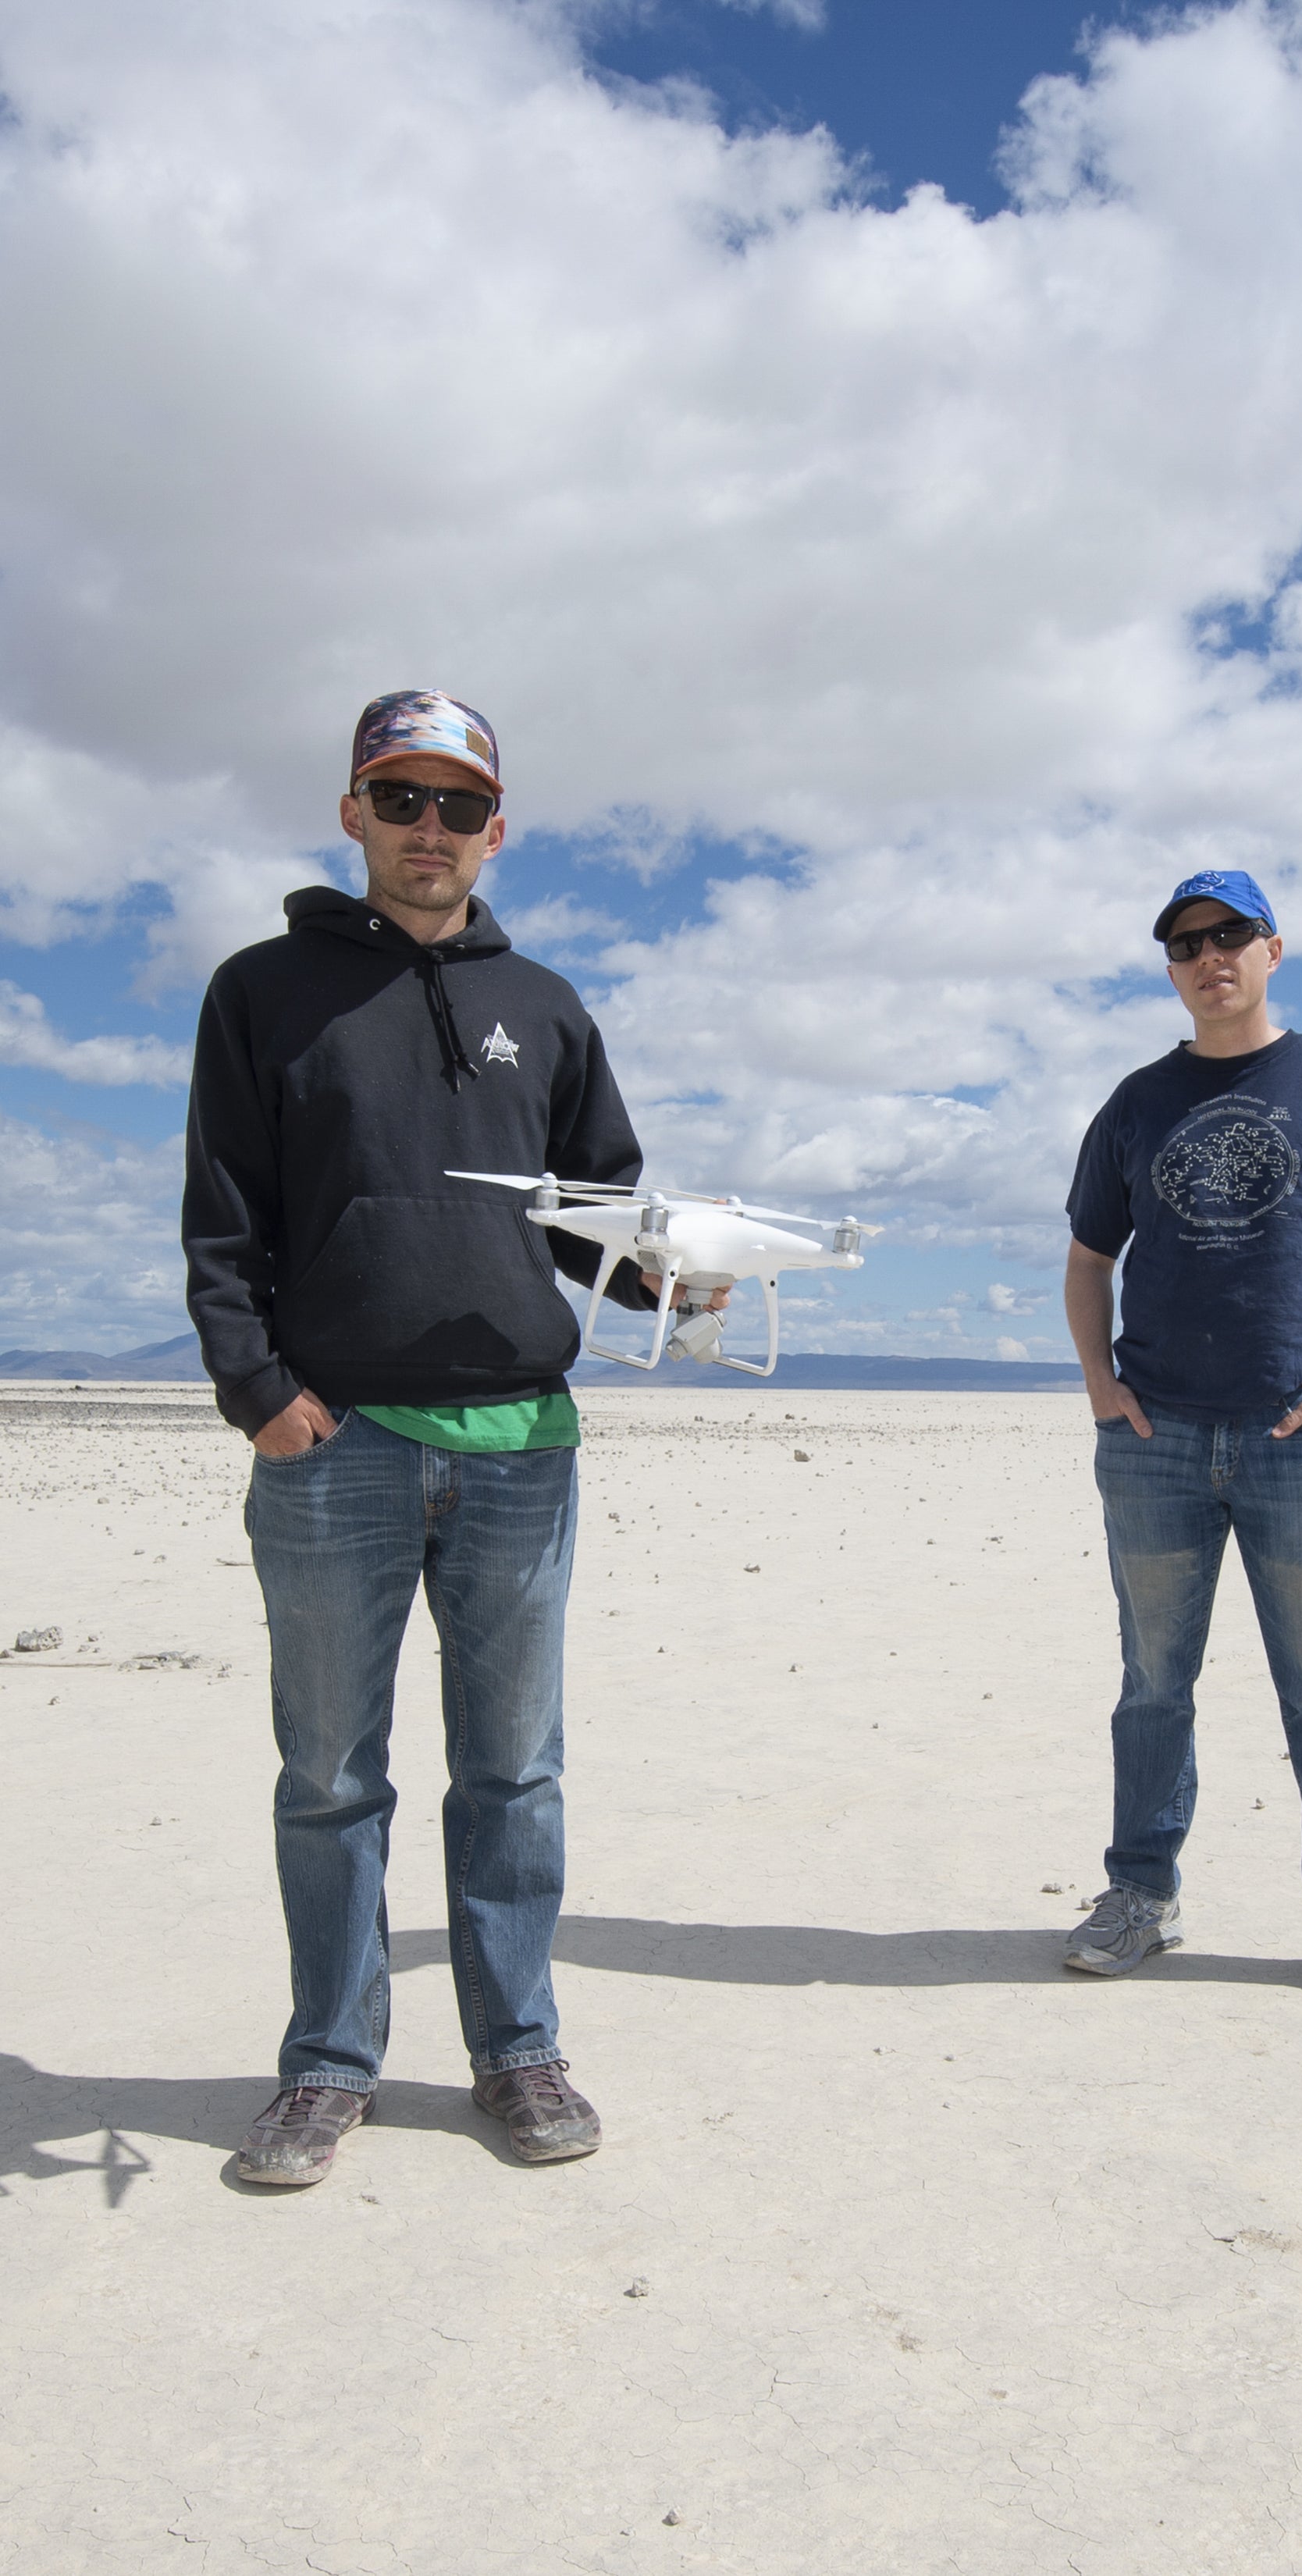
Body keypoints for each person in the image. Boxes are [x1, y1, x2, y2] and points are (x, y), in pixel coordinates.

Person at [183, 688, 703, 2185]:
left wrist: (678, 1273)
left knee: (514, 1771)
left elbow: (598, 1221)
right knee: (332, 1774)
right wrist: (257, 1391)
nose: (430, 831)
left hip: (521, 1449)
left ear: (497, 829)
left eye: (459, 807)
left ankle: (517, 2051)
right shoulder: (261, 991)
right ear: (351, 811)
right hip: (331, 1444)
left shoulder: (544, 1007)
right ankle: (329, 2064)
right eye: (400, 800)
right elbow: (223, 1219)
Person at [1061, 869, 1302, 2007]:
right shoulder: (1135, 1101)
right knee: (1151, 1686)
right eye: (1185, 943)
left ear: (1274, 950)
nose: (1207, 956)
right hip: (1155, 1436)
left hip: (1298, 1438)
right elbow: (1089, 1260)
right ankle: (1141, 1893)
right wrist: (1098, 1384)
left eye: (1229, 936)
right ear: (1170, 969)